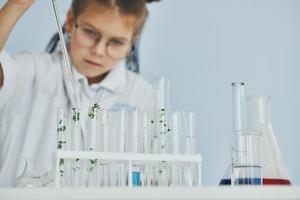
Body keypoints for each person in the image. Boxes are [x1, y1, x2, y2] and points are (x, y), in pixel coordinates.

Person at [0, 0, 159, 187]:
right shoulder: (30, 71)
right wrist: (17, 5)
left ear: (133, 41)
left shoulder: (142, 95)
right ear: (70, 21)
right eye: (90, 32)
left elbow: (150, 179)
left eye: (116, 42)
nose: (98, 51)